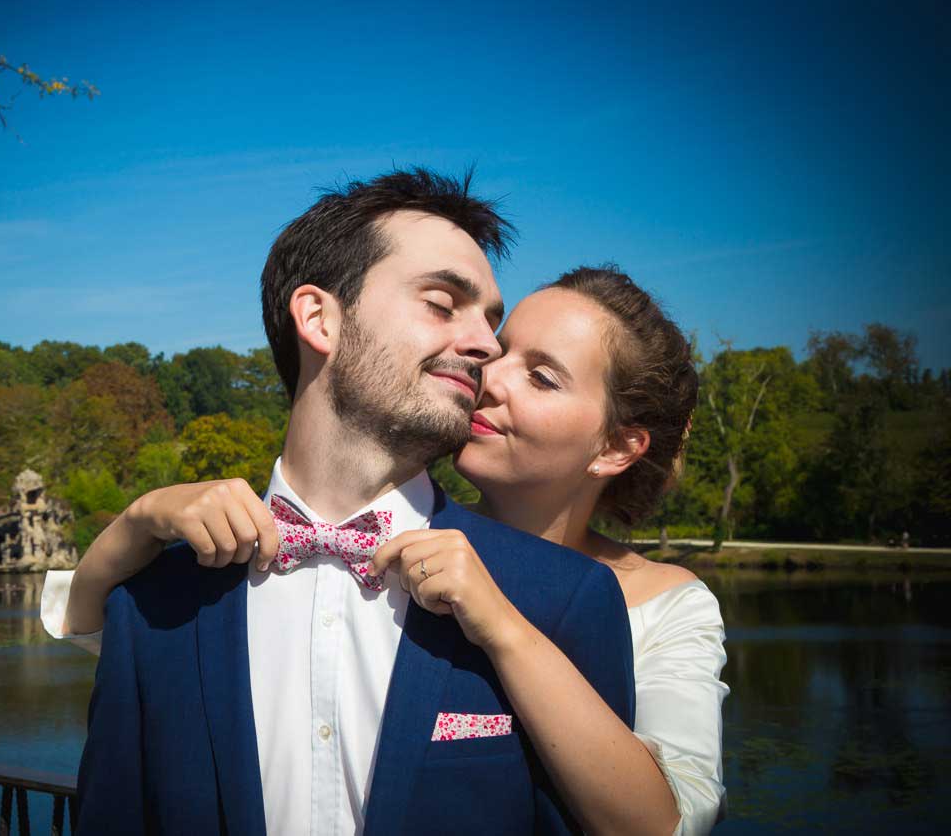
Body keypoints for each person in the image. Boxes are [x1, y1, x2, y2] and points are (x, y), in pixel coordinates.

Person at [46, 259, 728, 834]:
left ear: (616, 446)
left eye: (541, 376)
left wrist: (506, 630)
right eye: (501, 345)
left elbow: (668, 818)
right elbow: (122, 640)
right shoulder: (338, 542)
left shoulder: (654, 602)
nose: (489, 373)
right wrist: (135, 523)